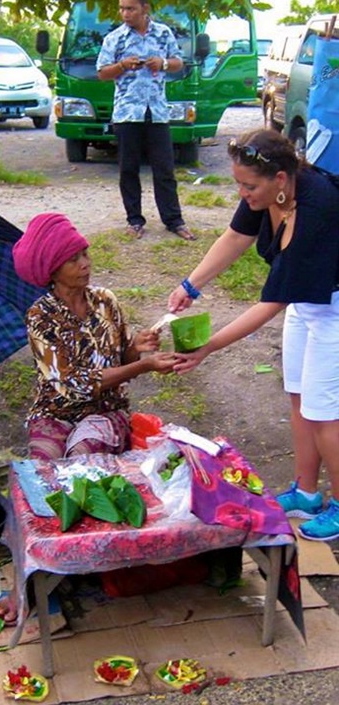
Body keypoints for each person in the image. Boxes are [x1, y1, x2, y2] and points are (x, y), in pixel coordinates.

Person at [167, 128, 339, 542]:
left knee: (324, 411)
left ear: (280, 178)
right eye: (238, 185)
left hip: (334, 306)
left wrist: (208, 348)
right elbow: (236, 237)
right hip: (306, 301)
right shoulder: (268, 193)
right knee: (298, 395)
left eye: (249, 187)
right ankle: (306, 493)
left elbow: (271, 302)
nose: (243, 194)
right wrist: (190, 285)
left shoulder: (317, 207)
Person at [13, 212, 177, 461]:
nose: (85, 264)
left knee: (82, 459)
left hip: (106, 409)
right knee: (43, 465)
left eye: (85, 254)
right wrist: (144, 366)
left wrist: (135, 348)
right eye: (73, 260)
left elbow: (122, 363)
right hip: (55, 411)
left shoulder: (105, 301)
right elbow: (73, 384)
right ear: (52, 271)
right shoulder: (41, 316)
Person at [96, 0, 196, 241]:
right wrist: (122, 65)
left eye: (130, 9)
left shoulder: (163, 33)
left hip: (157, 112)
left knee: (164, 169)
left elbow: (178, 62)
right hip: (127, 113)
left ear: (145, 8)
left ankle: (174, 220)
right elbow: (102, 73)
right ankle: (134, 220)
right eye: (122, 8)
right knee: (128, 169)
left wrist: (162, 63)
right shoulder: (115, 38)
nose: (125, 13)